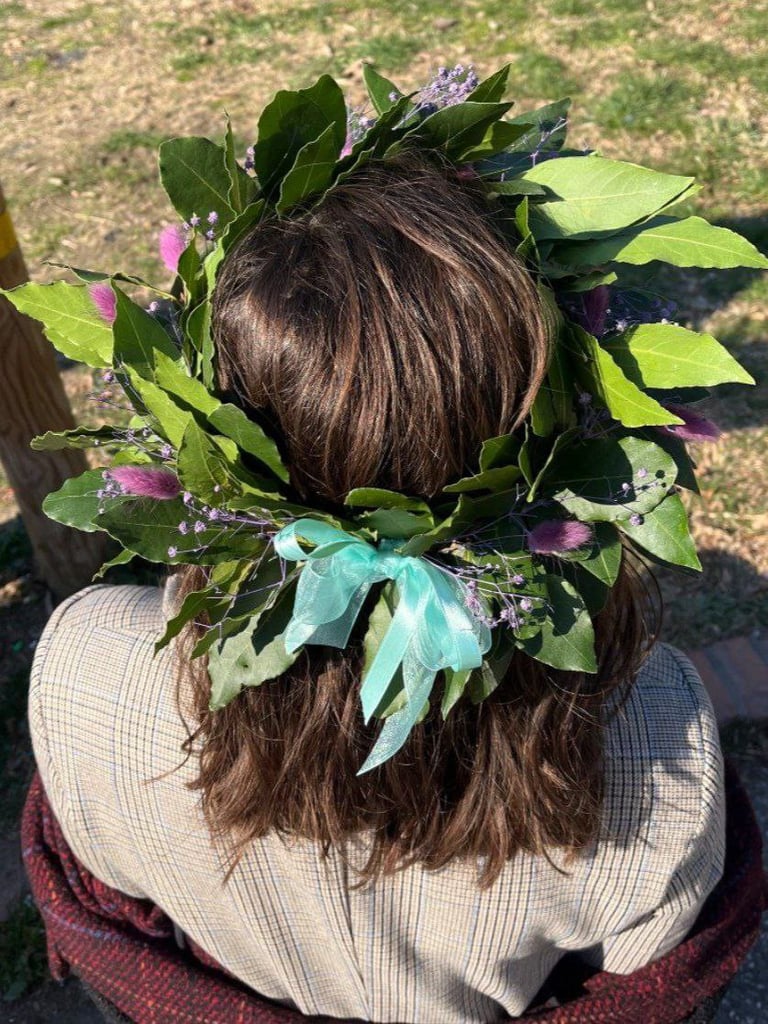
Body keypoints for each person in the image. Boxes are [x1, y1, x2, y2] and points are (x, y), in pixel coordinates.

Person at [21, 64, 755, 1022]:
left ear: (208, 427)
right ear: (560, 429)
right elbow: (654, 970)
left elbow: (105, 899)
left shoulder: (83, 671)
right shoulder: (655, 735)